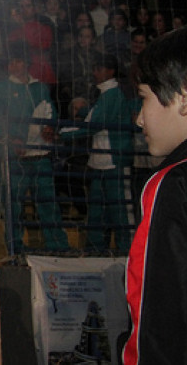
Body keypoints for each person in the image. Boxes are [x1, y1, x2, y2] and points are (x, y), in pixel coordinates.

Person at [123, 25, 187, 365]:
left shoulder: (172, 183)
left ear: (184, 95)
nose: (138, 119)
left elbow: (160, 316)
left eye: (145, 98)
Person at [0, 46, 69, 252]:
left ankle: (57, 246)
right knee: (14, 205)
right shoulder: (1, 88)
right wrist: (11, 139)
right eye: (11, 62)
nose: (14, 66)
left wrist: (51, 126)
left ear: (26, 63)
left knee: (47, 203)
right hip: (16, 156)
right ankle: (14, 248)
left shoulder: (40, 87)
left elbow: (51, 110)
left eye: (17, 61)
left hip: (40, 153)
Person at [59, 54, 133, 251]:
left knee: (114, 210)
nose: (95, 73)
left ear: (110, 71)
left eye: (99, 69)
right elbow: (97, 118)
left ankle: (119, 249)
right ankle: (103, 248)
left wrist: (63, 134)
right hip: (103, 160)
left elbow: (95, 125)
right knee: (101, 209)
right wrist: (84, 113)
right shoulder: (108, 95)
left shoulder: (111, 95)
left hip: (111, 160)